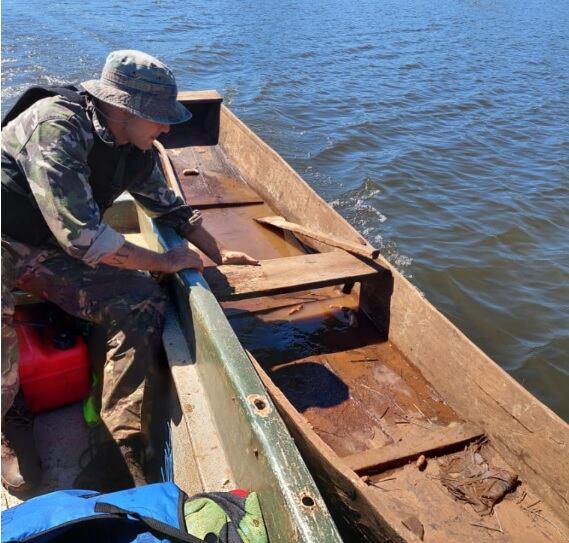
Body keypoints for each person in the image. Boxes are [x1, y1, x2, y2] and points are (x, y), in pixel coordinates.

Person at [1, 50, 258, 493]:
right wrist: (165, 261)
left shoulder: (134, 149)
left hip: (48, 249)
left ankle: (117, 447)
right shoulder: (55, 126)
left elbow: (170, 207)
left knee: (142, 301)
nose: (167, 128)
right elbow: (84, 239)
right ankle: (6, 429)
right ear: (122, 109)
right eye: (159, 118)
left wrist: (217, 251)